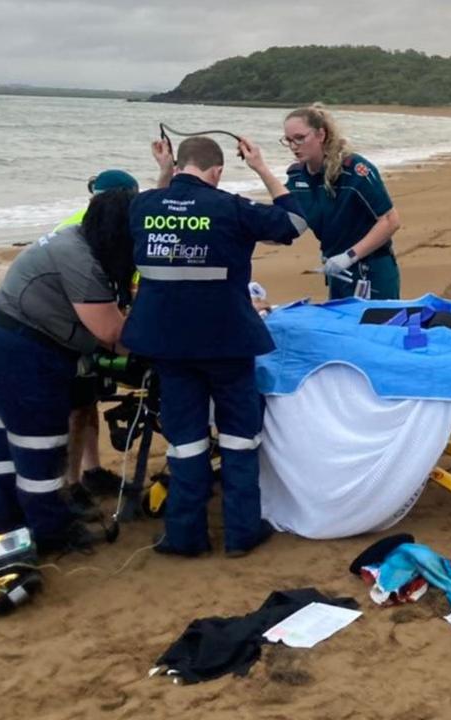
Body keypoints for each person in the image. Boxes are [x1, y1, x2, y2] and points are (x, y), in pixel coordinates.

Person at [122, 135, 307, 558]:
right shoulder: (230, 207)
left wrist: (164, 170)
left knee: (185, 440)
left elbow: (163, 203)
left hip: (167, 344)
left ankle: (186, 536)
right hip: (226, 341)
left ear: (177, 165)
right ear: (217, 171)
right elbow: (294, 224)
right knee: (239, 437)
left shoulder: (143, 204)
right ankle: (241, 532)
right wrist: (261, 166)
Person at [0, 183, 136, 552]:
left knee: (0, 448)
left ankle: (6, 526)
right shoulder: (81, 259)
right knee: (40, 447)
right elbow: (110, 332)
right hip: (21, 351)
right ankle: (50, 532)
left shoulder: (72, 239)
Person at [54, 168, 171, 509]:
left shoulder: (97, 219)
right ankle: (71, 483)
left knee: (87, 402)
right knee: (77, 406)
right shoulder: (90, 230)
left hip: (93, 314)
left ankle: (90, 471)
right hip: (73, 326)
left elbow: (129, 283)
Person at [281, 104, 402, 300]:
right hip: (337, 272)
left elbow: (390, 220)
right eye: (288, 140)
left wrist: (350, 256)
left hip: (371, 270)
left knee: (376, 328)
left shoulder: (355, 170)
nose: (294, 146)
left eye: (300, 138)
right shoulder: (297, 177)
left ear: (321, 135)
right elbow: (290, 222)